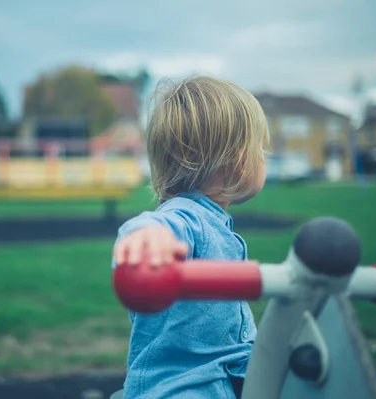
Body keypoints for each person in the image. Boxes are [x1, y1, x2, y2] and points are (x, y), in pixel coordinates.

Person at [112, 75, 270, 398]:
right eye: (261, 149)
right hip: (180, 389)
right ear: (239, 160)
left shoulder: (214, 222)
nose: (263, 157)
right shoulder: (187, 218)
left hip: (219, 381)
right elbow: (149, 227)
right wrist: (147, 243)